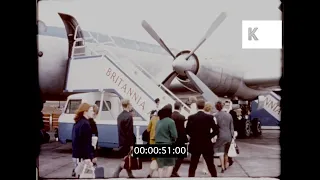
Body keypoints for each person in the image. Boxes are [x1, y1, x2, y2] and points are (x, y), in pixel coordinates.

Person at [186, 99, 219, 177]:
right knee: (210, 165)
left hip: (195, 144)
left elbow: (187, 130)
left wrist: (193, 136)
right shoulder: (209, 117)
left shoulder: (191, 117)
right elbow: (216, 130)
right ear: (204, 106)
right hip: (206, 143)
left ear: (197, 106)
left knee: (193, 166)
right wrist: (209, 136)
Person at [112, 99, 135, 178]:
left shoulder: (119, 116)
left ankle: (130, 174)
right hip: (127, 142)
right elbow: (129, 132)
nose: (131, 105)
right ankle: (117, 173)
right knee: (126, 159)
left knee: (126, 158)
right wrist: (131, 144)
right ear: (128, 105)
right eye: (130, 104)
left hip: (121, 140)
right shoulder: (129, 116)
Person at [71, 103, 95, 177]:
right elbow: (85, 143)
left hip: (77, 155)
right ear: (85, 112)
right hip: (83, 158)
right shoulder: (85, 124)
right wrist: (88, 157)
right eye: (91, 110)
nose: (93, 112)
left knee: (79, 175)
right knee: (87, 176)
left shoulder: (77, 123)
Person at [155, 104, 178, 178]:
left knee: (160, 165)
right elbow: (175, 135)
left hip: (158, 144)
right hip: (167, 144)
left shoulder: (158, 122)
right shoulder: (171, 121)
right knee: (170, 164)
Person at [213, 101, 234, 173]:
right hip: (228, 135)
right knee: (226, 152)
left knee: (220, 152)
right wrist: (232, 136)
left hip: (220, 135)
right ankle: (225, 166)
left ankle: (222, 166)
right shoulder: (229, 115)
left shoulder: (215, 115)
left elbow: (215, 127)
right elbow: (231, 127)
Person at [171, 102, 188, 177]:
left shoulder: (170, 116)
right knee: (181, 156)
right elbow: (182, 130)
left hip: (171, 139)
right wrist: (186, 139)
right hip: (180, 139)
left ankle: (171, 170)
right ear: (180, 108)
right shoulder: (182, 117)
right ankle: (175, 170)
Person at [146, 110, 160, 178]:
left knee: (154, 158)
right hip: (159, 140)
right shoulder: (161, 119)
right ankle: (153, 173)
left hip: (152, 140)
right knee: (158, 158)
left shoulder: (152, 118)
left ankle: (151, 173)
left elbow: (148, 129)